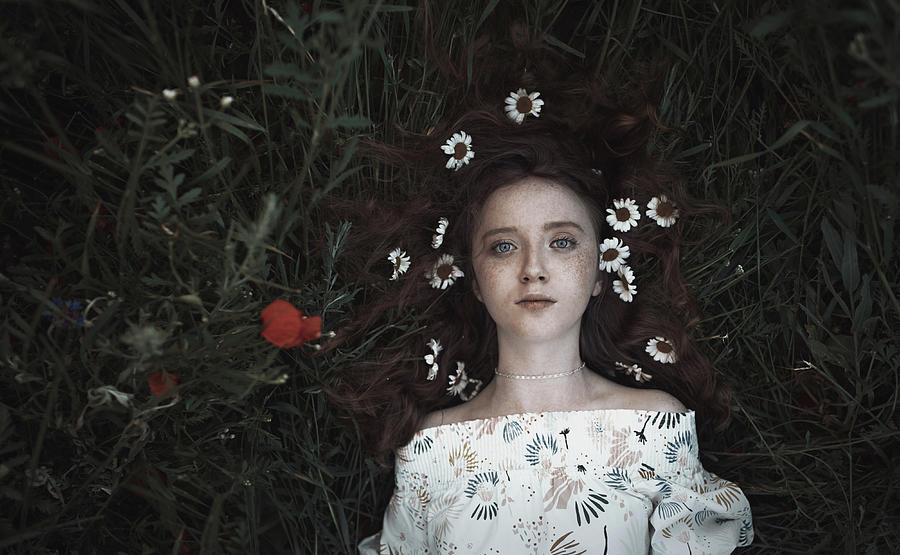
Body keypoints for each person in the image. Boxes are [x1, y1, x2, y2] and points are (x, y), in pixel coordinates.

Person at [323, 26, 753, 554]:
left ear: (601, 272)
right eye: (504, 247)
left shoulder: (654, 429)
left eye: (563, 243)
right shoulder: (432, 451)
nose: (534, 270)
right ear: (475, 280)